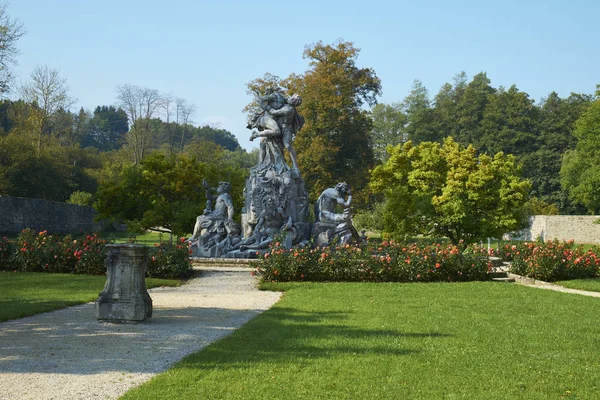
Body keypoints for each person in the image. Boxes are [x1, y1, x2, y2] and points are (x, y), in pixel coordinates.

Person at [249, 90, 304, 171]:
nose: (292, 100)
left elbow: (274, 112)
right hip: (274, 124)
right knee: (263, 142)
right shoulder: (282, 99)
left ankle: (295, 167)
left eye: (295, 101)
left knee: (288, 146)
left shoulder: (288, 109)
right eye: (293, 99)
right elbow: (264, 100)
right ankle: (260, 164)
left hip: (285, 129)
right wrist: (260, 99)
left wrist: (264, 105)